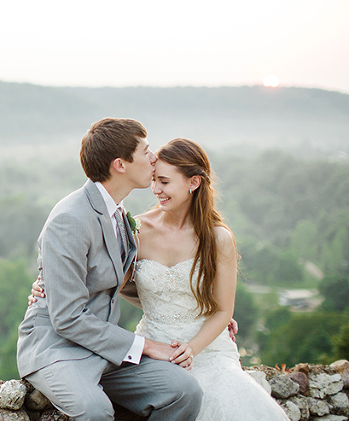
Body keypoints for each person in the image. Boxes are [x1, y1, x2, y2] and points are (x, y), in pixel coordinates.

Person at [30, 137, 289, 421]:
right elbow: (111, 281)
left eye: (164, 182)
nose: (156, 190)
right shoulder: (136, 229)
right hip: (152, 342)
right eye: (154, 180)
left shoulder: (218, 238)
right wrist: (49, 287)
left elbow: (223, 309)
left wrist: (195, 340)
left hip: (207, 349)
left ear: (193, 183)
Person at [16, 118, 203, 421]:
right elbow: (66, 317)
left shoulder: (118, 212)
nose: (154, 159)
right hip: (57, 349)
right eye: (146, 151)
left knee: (183, 392)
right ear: (121, 165)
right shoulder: (71, 219)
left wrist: (200, 311)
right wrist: (145, 346)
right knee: (95, 411)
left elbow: (121, 282)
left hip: (103, 350)